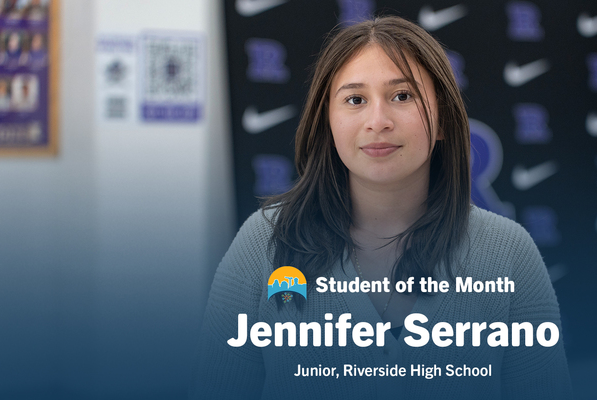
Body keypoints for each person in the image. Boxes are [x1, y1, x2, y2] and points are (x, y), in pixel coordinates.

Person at [191, 16, 572, 400]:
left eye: (402, 96)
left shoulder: (508, 252)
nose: (378, 121)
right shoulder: (265, 241)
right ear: (329, 121)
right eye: (355, 100)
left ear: (442, 120)